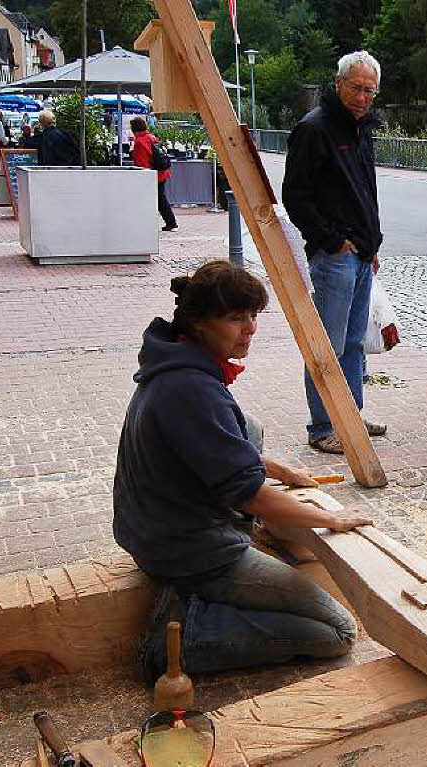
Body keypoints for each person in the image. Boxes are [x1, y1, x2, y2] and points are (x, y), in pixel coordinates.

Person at [114, 260, 371, 681]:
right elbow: (251, 495)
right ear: (198, 323)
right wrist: (330, 518)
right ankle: (182, 640)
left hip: (156, 529)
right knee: (337, 630)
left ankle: (194, 599)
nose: (250, 327)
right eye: (235, 318)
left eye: (253, 315)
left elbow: (210, 444)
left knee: (249, 427)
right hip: (191, 553)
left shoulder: (174, 363)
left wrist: (282, 471)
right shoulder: (193, 389)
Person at [283, 51, 387, 454]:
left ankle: (350, 414)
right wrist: (330, 240)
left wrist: (371, 242)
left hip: (360, 253)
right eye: (357, 88)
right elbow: (295, 195)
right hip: (334, 256)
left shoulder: (362, 128)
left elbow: (365, 191)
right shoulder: (315, 128)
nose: (363, 97)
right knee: (327, 345)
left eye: (370, 91)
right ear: (339, 83)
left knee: (355, 342)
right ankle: (324, 424)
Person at [130, 115, 178, 232]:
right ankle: (170, 222)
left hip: (151, 176)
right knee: (160, 198)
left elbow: (142, 163)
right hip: (162, 173)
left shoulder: (140, 142)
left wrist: (142, 176)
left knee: (155, 200)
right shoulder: (152, 137)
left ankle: (170, 223)